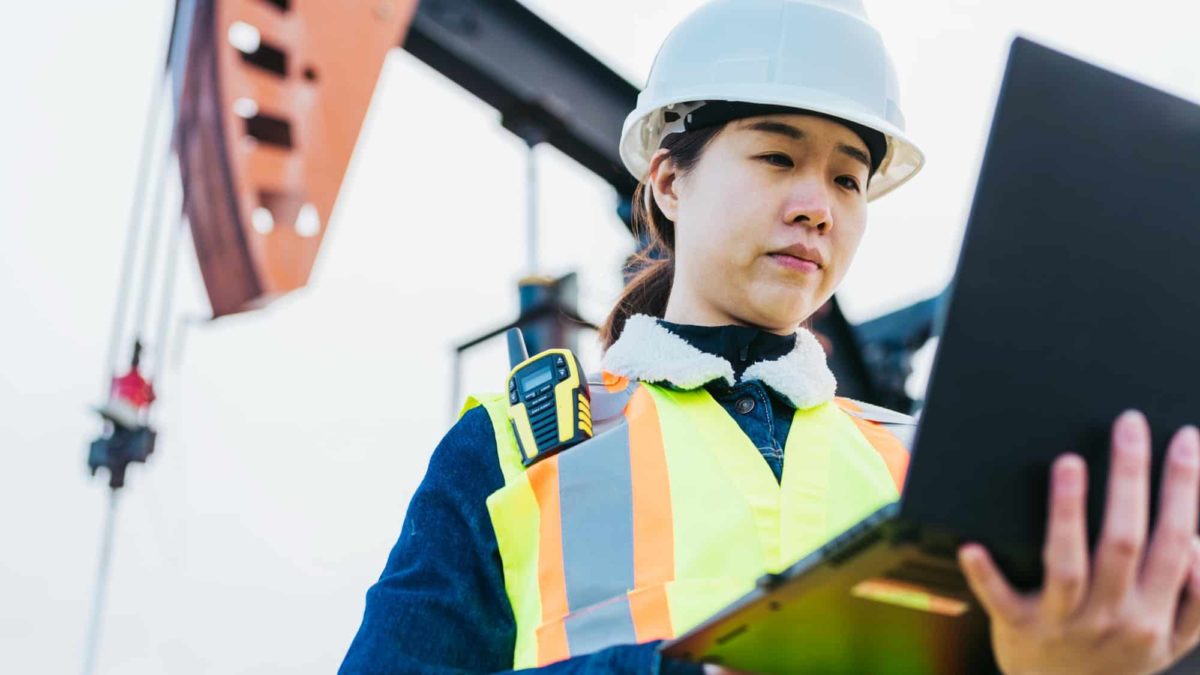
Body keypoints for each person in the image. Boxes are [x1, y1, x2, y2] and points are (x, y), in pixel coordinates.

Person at [341, 1, 1200, 673]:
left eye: (847, 178)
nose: (816, 206)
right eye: (778, 158)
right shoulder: (514, 447)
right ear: (670, 181)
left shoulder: (918, 467)